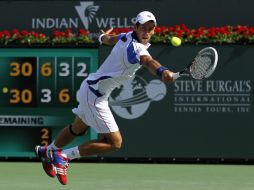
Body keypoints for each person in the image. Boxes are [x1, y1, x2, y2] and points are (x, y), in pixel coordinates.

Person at [35, 10, 176, 185]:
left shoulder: (125, 36)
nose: (147, 32)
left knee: (77, 128)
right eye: (143, 28)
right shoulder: (137, 48)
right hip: (95, 95)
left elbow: (110, 40)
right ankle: (63, 157)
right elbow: (148, 62)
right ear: (136, 27)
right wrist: (163, 72)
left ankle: (46, 151)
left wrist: (101, 37)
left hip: (91, 88)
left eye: (151, 28)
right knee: (115, 143)